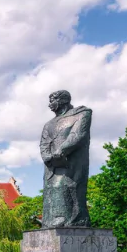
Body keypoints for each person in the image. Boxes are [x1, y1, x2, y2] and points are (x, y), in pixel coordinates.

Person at [40, 90, 92, 227]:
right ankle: (50, 220)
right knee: (50, 189)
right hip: (51, 165)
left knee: (68, 186)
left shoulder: (82, 114)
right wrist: (47, 157)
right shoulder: (48, 124)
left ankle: (74, 220)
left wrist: (62, 150)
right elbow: (44, 143)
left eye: (52, 101)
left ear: (62, 100)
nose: (49, 105)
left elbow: (78, 135)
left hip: (72, 161)